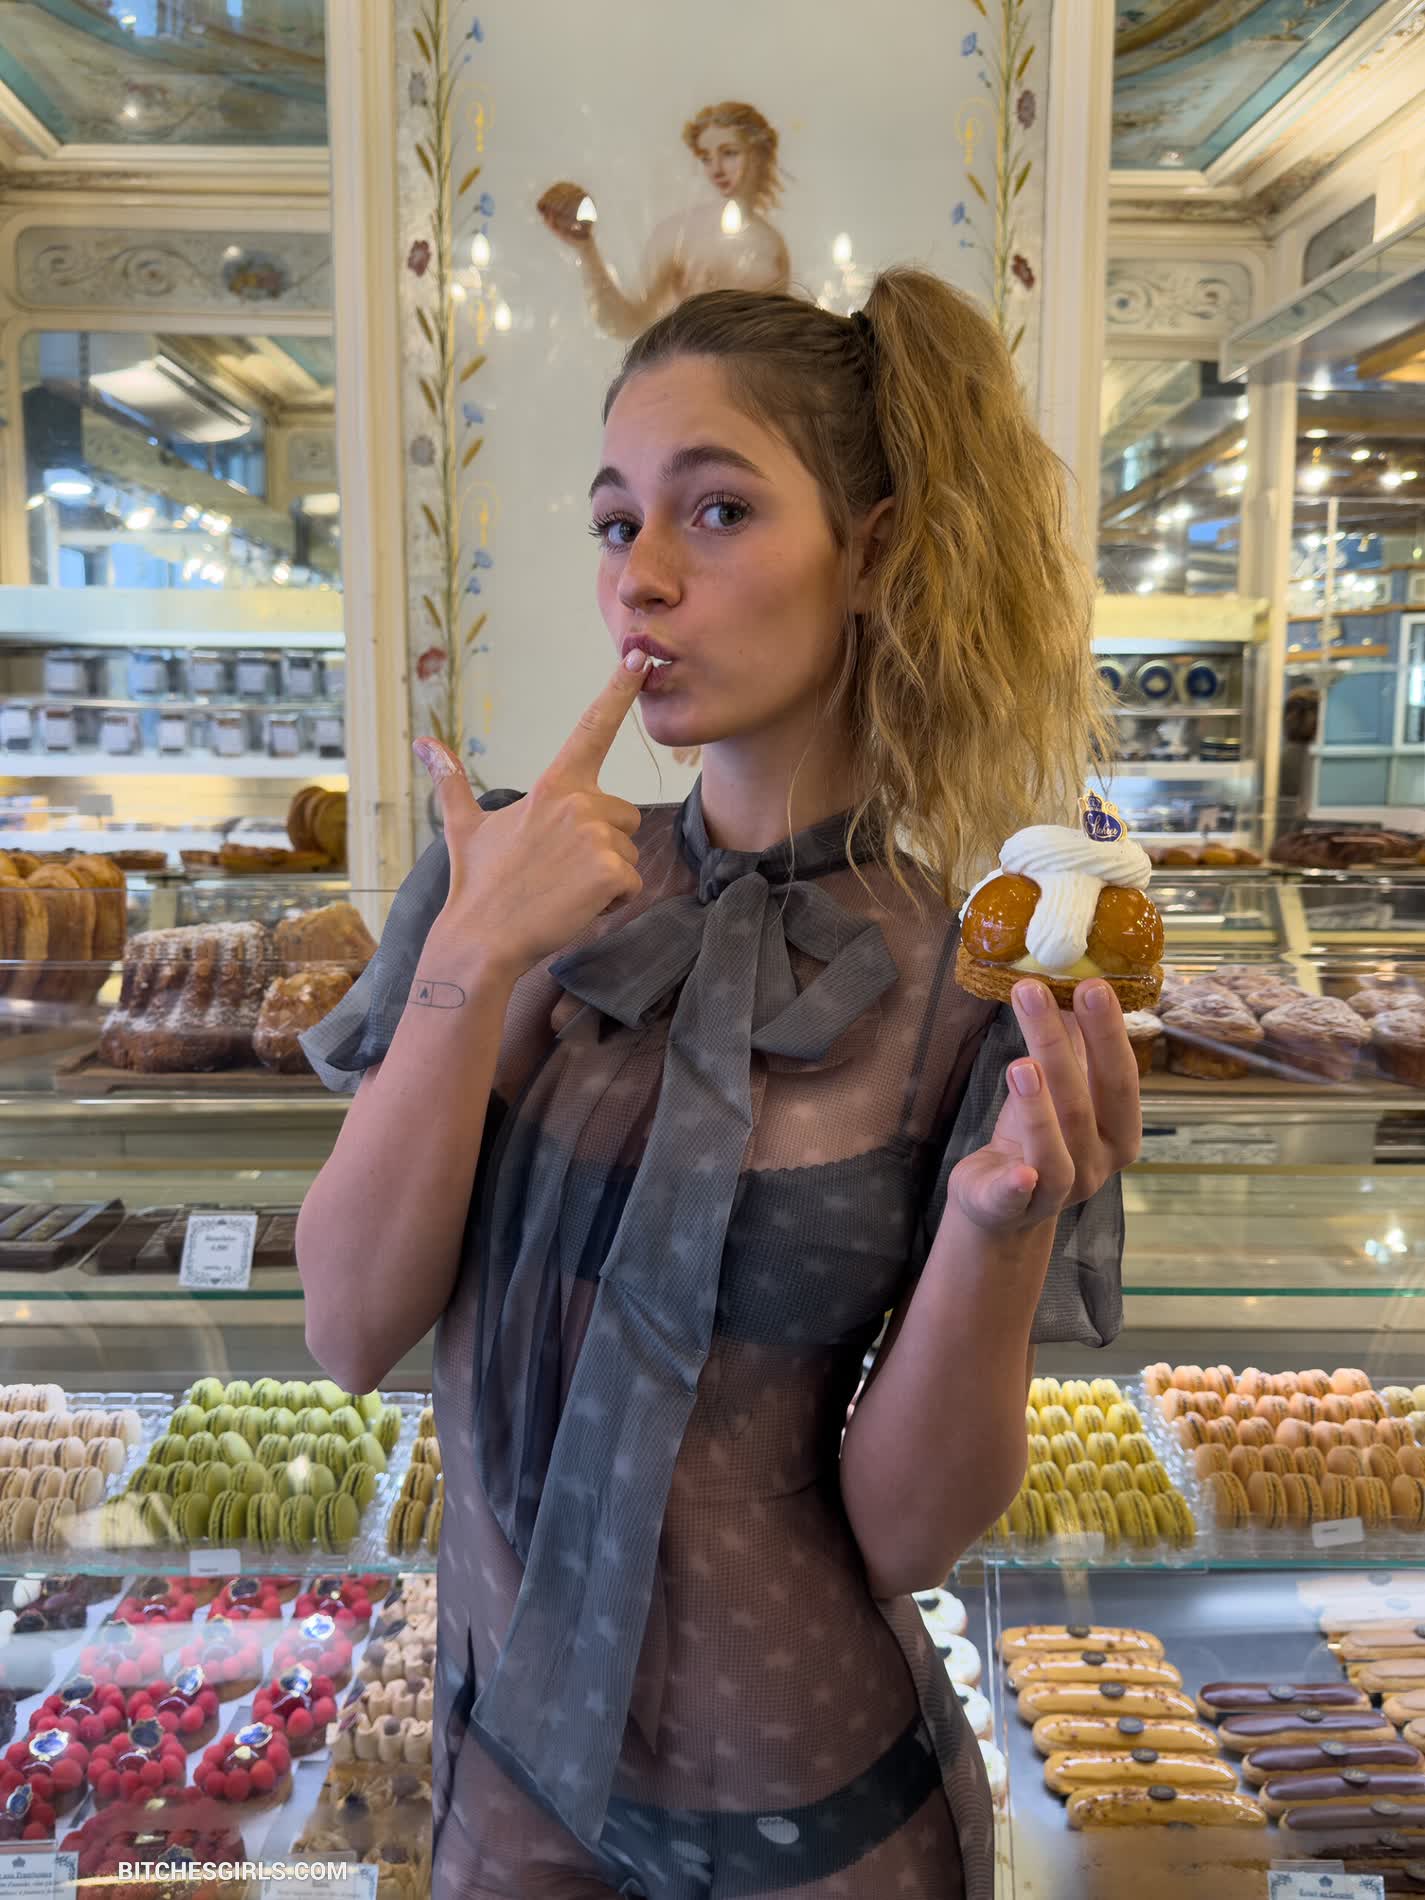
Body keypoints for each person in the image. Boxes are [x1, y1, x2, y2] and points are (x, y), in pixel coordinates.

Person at [295, 266, 1140, 1900]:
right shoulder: (509, 882)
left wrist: (1000, 1230)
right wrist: (473, 960)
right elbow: (346, 1325)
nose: (645, 578)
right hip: (505, 1786)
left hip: (819, 1816)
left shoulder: (975, 985)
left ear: (874, 553)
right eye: (618, 523)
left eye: (720, 511)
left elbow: (903, 1535)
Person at [537, 101, 791, 340]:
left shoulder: (772, 243)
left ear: (759, 154)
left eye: (729, 153)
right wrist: (587, 250)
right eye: (706, 157)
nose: (716, 169)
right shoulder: (680, 233)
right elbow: (627, 322)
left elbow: (776, 343)